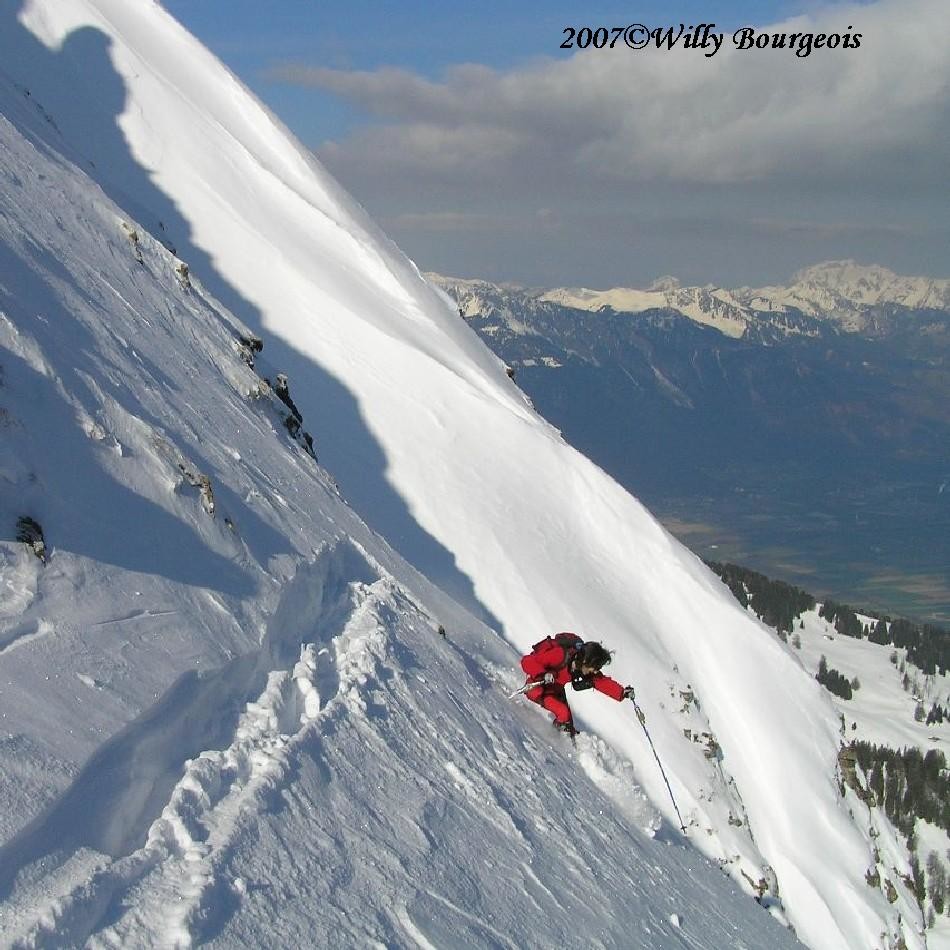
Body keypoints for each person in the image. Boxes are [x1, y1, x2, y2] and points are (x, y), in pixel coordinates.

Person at [520, 632, 636, 737]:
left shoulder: (581, 668)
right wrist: (543, 674)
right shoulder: (560, 655)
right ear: (586, 661)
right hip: (537, 684)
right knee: (557, 708)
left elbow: (601, 682)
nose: (596, 671)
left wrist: (622, 692)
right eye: (595, 667)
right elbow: (527, 661)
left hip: (555, 689)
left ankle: (560, 734)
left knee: (566, 718)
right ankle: (552, 735)